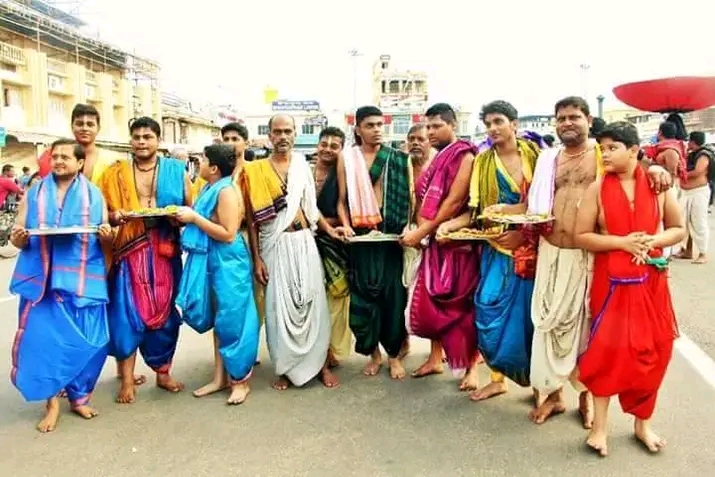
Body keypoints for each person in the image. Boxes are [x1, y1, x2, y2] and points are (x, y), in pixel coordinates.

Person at [504, 96, 671, 426]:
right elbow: (530, 200)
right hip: (551, 249)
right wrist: (496, 217)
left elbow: (633, 168)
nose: (567, 123)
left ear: (589, 120)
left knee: (587, 329)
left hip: (588, 254)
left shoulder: (602, 155)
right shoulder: (548, 158)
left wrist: (656, 168)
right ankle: (553, 397)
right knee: (548, 324)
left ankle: (587, 397)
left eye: (574, 117)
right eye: (561, 118)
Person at [575, 121, 683, 456]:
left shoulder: (657, 185)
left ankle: (643, 425)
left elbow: (678, 230)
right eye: (602, 148)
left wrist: (654, 240)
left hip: (651, 282)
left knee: (654, 352)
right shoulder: (596, 189)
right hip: (611, 285)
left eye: (612, 148)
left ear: (634, 150)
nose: (604, 154)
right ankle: (600, 429)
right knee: (607, 353)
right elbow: (582, 236)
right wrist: (622, 242)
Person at [9, 138, 114, 432]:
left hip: (82, 279)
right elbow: (19, 233)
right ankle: (52, 403)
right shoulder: (35, 191)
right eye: (54, 157)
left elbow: (104, 236)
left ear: (80, 163)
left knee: (94, 341)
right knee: (45, 344)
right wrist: (18, 238)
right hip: (43, 281)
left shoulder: (94, 194)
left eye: (65, 157)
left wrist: (106, 235)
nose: (58, 161)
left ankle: (80, 397)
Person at [440, 100, 540, 400]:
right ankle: (498, 379)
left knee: (531, 320)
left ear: (515, 124)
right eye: (488, 124)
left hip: (532, 249)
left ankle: (544, 387)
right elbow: (476, 212)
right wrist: (448, 227)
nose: (493, 128)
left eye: (498, 121)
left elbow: (547, 205)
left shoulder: (537, 156)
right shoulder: (482, 162)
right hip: (495, 249)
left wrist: (523, 233)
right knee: (486, 307)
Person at [242, 114, 343, 390]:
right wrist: (257, 259)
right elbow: (252, 220)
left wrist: (330, 230)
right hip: (275, 244)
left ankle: (320, 365)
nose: (283, 136)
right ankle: (286, 369)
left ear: (295, 134)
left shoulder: (301, 166)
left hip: (304, 241)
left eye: (288, 131)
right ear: (269, 136)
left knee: (313, 303)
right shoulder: (255, 171)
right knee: (279, 309)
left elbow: (311, 209)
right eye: (277, 131)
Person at [99, 116, 192, 403]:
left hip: (164, 248)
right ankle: (127, 380)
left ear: (158, 141)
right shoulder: (114, 173)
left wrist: (178, 216)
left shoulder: (177, 171)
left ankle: (163, 373)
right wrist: (115, 217)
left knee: (165, 316)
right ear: (131, 140)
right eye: (136, 136)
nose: (141, 141)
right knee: (126, 314)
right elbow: (104, 212)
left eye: (147, 136)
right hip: (128, 248)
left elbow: (190, 207)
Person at [404, 103, 480, 390]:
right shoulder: (437, 159)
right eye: (429, 126)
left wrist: (422, 230)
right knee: (431, 304)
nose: (431, 131)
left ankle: (471, 367)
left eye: (437, 126)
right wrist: (419, 231)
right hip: (432, 242)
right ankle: (435, 358)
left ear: (453, 125)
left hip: (456, 243)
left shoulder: (465, 155)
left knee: (462, 306)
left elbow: (452, 202)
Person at [176, 143, 259, 405]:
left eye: (202, 159)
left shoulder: (225, 191)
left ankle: (240, 382)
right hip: (212, 259)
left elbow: (228, 233)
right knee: (219, 319)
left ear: (213, 168)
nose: (198, 163)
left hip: (229, 261)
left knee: (234, 320)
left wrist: (193, 219)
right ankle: (219, 377)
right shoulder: (210, 187)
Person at [336, 106, 412, 379]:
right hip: (361, 240)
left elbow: (409, 201)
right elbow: (341, 201)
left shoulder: (398, 159)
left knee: (393, 298)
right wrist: (345, 225)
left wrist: (408, 228)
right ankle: (374, 354)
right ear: (358, 129)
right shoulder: (347, 159)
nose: (377, 129)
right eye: (370, 125)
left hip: (391, 238)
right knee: (364, 298)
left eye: (380, 124)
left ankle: (393, 355)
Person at [313, 127, 352, 371]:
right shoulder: (303, 173)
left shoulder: (344, 176)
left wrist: (328, 225)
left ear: (341, 150)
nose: (327, 149)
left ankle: (331, 349)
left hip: (334, 243)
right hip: (304, 242)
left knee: (335, 298)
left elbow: (349, 209)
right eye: (324, 143)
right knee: (310, 298)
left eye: (334, 145)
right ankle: (314, 350)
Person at [674, 131, 712, 263]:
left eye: (689, 141)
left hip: (698, 192)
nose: (687, 143)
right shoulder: (691, 154)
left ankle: (703, 253)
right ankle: (687, 250)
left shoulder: (704, 155)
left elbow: (697, 172)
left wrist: (682, 173)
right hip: (687, 193)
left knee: (698, 222)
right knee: (684, 222)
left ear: (693, 142)